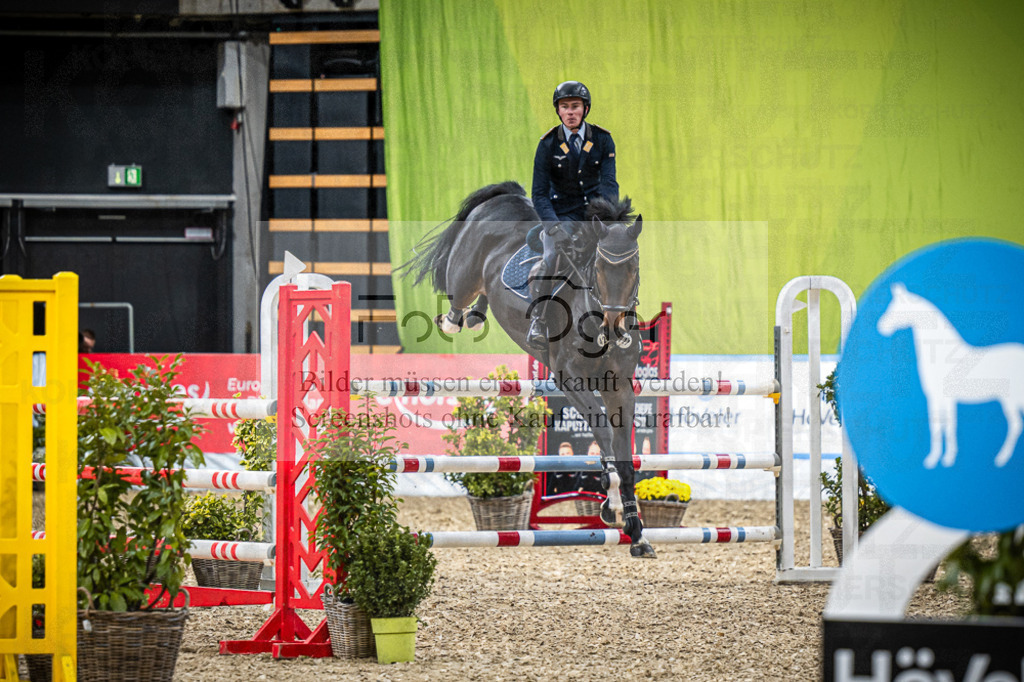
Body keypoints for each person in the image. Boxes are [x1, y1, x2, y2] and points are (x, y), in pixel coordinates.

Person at [527, 80, 619, 349]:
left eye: (575, 106)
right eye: (565, 107)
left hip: (595, 216)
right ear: (558, 111)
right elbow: (539, 193)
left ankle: (623, 316)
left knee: (621, 254)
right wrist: (553, 226)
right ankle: (538, 320)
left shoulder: (602, 139)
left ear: (585, 109)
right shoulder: (547, 144)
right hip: (562, 217)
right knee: (551, 258)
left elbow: (609, 184)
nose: (570, 112)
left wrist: (606, 217)